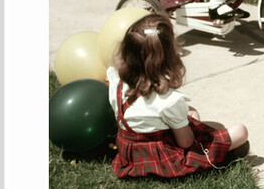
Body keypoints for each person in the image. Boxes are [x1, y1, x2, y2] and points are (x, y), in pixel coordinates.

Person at [107, 13, 250, 178]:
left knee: (192, 112)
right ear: (168, 57)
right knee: (241, 131)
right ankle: (214, 157)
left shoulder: (116, 80)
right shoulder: (167, 100)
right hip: (163, 159)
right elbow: (186, 142)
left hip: (130, 152)